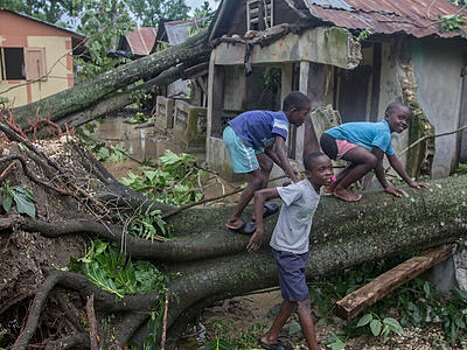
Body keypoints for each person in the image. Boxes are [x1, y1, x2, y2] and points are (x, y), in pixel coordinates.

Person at [247, 152, 333, 350]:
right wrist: (259, 230)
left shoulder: (317, 185)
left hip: (299, 249)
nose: (328, 173)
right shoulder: (300, 189)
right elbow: (260, 195)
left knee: (291, 299)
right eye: (322, 170)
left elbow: (333, 179)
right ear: (308, 174)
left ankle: (270, 338)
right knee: (303, 302)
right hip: (287, 251)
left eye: (330, 168)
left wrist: (333, 181)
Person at [223, 91, 311, 235]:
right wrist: (294, 179)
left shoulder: (276, 120)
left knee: (267, 164)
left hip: (248, 137)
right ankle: (234, 219)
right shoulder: (282, 122)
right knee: (257, 180)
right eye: (304, 114)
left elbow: (270, 150)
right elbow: (281, 150)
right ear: (294, 111)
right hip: (239, 135)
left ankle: (258, 208)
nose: (305, 118)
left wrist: (286, 168)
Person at [320, 100, 430, 202]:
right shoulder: (383, 131)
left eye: (407, 120)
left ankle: (333, 183)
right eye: (400, 118)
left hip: (329, 138)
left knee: (361, 162)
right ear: (387, 116)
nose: (404, 122)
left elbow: (394, 161)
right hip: (333, 139)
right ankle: (341, 189)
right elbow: (377, 162)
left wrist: (410, 182)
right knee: (370, 160)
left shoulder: (384, 134)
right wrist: (386, 185)